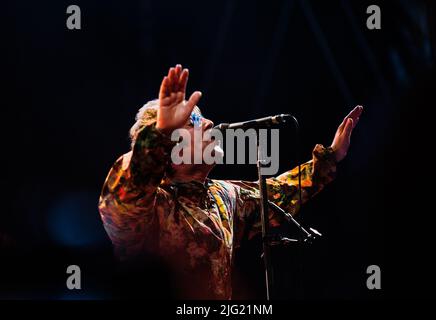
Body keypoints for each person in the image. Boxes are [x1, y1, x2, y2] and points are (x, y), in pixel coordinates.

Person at [98, 64, 363, 299]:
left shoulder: (223, 196)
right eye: (193, 120)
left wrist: (330, 157)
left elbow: (279, 195)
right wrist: (159, 133)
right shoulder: (153, 209)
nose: (209, 123)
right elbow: (123, 198)